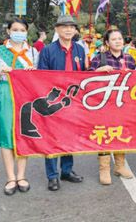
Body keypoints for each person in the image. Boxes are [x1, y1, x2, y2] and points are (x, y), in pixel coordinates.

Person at [0, 18, 38, 195]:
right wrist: (0, 72)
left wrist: (33, 75)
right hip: (5, 95)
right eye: (15, 29)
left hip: (26, 95)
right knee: (7, 135)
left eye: (23, 30)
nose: (19, 33)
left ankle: (22, 176)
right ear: (8, 31)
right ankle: (10, 177)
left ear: (26, 33)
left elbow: (41, 79)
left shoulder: (34, 52)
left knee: (23, 133)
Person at [38, 15, 85, 192]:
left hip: (73, 101)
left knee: (68, 136)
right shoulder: (48, 51)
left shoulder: (80, 50)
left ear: (75, 30)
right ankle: (52, 176)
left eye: (72, 27)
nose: (68, 30)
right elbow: (41, 77)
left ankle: (66, 170)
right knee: (51, 138)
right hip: (53, 101)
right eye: (64, 26)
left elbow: (84, 75)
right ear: (56, 29)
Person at [89, 28, 136, 185]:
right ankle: (104, 169)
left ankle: (120, 166)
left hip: (123, 103)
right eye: (114, 39)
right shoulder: (98, 58)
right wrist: (97, 71)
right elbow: (85, 79)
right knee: (104, 134)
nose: (118, 41)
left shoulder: (130, 59)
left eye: (120, 38)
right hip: (103, 103)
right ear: (107, 43)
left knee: (121, 132)